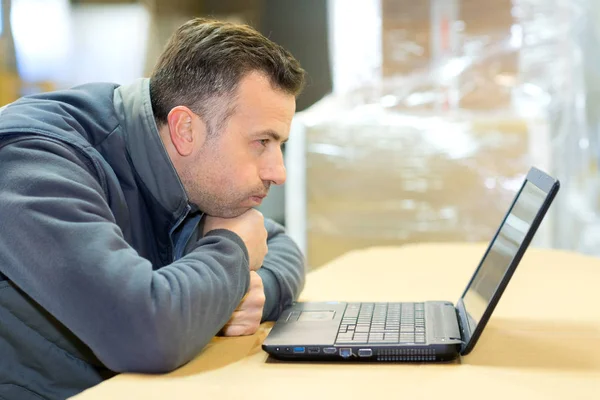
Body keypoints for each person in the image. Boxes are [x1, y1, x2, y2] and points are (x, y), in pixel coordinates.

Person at [0, 17, 306, 400]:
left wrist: (256, 292)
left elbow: (277, 243)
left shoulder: (185, 170)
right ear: (185, 130)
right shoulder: (32, 160)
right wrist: (232, 249)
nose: (278, 172)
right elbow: (145, 332)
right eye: (262, 142)